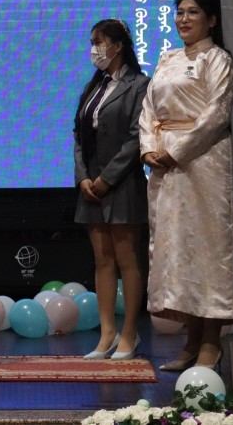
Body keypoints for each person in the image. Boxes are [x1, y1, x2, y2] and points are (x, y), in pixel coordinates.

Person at [140, 0, 233, 371]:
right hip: (166, 168)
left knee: (209, 250)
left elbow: (216, 116)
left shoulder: (219, 61)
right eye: (179, 12)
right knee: (178, 252)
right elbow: (149, 109)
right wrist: (148, 149)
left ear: (211, 20)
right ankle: (192, 340)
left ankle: (212, 342)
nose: (183, 19)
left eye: (193, 12)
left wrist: (176, 151)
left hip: (204, 163)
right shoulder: (168, 59)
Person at [73, 18, 149, 360]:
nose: (94, 49)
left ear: (118, 47)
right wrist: (84, 177)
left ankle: (130, 333)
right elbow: (78, 135)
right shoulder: (93, 85)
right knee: (102, 260)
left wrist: (107, 179)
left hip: (123, 184)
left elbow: (137, 137)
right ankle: (107, 334)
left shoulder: (139, 85)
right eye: (92, 42)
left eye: (98, 42)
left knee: (127, 259)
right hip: (91, 187)